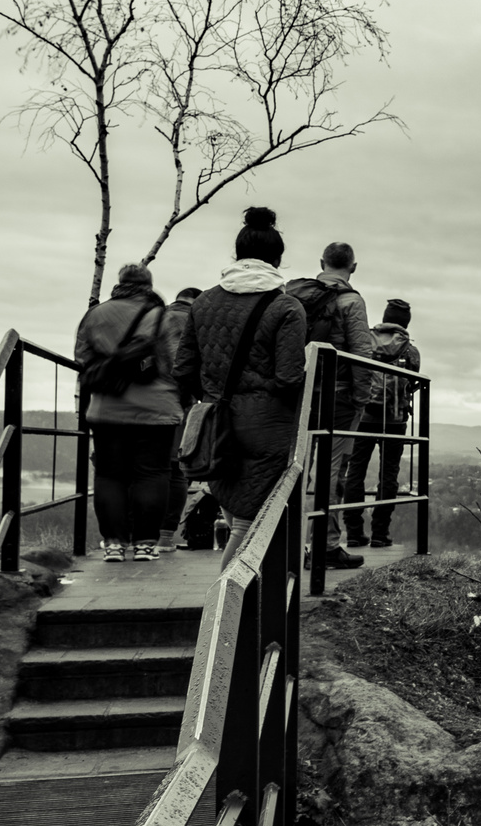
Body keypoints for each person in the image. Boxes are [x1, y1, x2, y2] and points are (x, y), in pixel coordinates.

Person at [174, 207, 308, 566]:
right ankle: (222, 607)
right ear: (277, 259)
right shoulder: (286, 307)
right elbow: (289, 377)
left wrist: (209, 398)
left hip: (216, 421)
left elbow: (184, 367)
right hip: (266, 426)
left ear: (237, 255)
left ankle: (240, 610)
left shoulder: (203, 301)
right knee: (248, 524)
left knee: (235, 512)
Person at [76, 263, 181, 561]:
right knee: (152, 474)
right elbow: (175, 361)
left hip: (107, 407)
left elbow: (82, 357)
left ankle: (114, 544)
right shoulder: (162, 315)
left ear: (120, 283)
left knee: (110, 475)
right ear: (148, 285)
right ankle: (146, 545)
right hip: (157, 408)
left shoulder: (95, 315)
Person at [283, 241, 379, 570]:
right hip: (337, 397)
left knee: (295, 468)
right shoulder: (351, 301)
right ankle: (324, 546)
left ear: (321, 262)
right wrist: (361, 397)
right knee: (330, 472)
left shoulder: (295, 295)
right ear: (353, 267)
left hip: (298, 393)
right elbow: (361, 354)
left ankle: (290, 543)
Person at [342, 298, 419, 547]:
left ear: (385, 317)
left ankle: (353, 531)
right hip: (395, 419)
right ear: (405, 323)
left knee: (355, 471)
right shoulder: (410, 350)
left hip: (363, 415)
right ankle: (380, 533)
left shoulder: (366, 340)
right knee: (389, 475)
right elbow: (413, 383)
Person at [156, 286, 210, 552]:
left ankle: (139, 536)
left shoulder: (156, 317)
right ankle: (165, 537)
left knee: (149, 469)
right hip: (183, 402)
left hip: (149, 400)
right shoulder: (198, 319)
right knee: (177, 470)